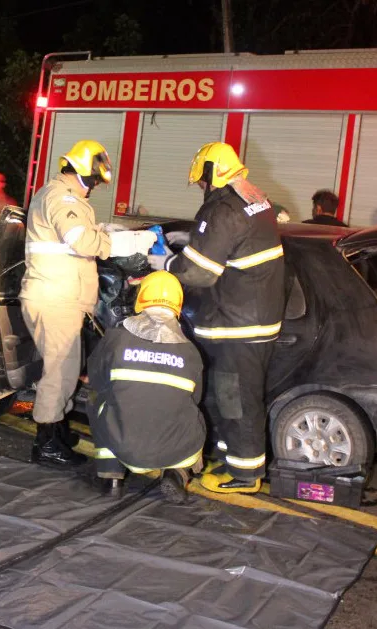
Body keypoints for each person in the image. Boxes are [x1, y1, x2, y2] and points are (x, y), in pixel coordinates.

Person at [149, 142, 285, 494]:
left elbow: (199, 274)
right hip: (254, 316)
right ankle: (231, 460)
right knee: (232, 398)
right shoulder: (254, 199)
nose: (201, 188)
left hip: (237, 324)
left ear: (210, 174)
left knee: (234, 400)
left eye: (201, 182)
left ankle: (244, 475)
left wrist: (164, 264)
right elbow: (233, 245)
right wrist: (192, 238)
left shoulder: (223, 209)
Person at [20, 140, 112, 467]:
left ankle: (57, 430)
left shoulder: (58, 195)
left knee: (66, 370)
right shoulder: (62, 197)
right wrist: (114, 242)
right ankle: (46, 444)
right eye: (95, 180)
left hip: (57, 297)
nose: (96, 187)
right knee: (59, 374)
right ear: (84, 171)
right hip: (55, 299)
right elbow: (81, 240)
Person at [87, 271, 206, 502]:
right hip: (174, 447)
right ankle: (178, 474)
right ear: (178, 305)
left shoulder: (115, 338)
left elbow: (96, 378)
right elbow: (196, 398)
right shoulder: (191, 352)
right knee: (195, 415)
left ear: (140, 298)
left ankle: (112, 476)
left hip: (122, 442)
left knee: (98, 399)